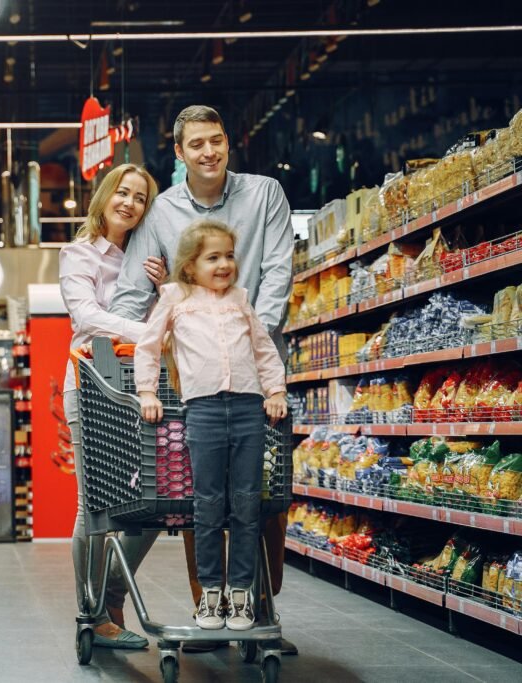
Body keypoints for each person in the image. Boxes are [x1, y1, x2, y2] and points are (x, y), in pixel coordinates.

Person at [109, 104, 296, 653]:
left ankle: (261, 608)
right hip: (193, 377)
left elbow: (279, 270)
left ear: (228, 143)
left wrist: (249, 326)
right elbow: (130, 293)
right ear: (179, 153)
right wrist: (129, 329)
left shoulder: (265, 195)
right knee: (204, 496)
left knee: (264, 493)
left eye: (216, 140)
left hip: (260, 370)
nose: (208, 152)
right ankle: (208, 601)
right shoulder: (162, 212)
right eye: (197, 144)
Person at [133, 220, 288, 632]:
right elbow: (147, 346)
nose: (224, 265)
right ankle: (209, 595)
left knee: (246, 502)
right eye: (213, 257)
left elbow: (263, 349)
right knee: (206, 504)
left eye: (229, 256)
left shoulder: (240, 299)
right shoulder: (175, 297)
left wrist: (275, 390)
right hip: (200, 410)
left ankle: (241, 594)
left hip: (248, 408)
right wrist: (147, 392)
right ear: (190, 266)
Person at [59, 162, 168, 649]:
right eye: (122, 193)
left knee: (153, 500)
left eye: (140, 197)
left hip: (143, 388)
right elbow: (86, 317)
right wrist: (149, 332)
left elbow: (174, 311)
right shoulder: (78, 253)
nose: (129, 203)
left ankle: (114, 595)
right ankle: (90, 611)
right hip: (90, 384)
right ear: (105, 196)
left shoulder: (150, 259)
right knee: (95, 505)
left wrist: (164, 286)